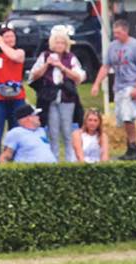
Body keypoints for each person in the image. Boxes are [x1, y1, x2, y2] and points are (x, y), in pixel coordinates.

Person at [92, 19, 136, 160]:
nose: (116, 35)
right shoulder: (112, 47)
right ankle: (130, 147)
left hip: (131, 85)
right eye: (114, 32)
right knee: (122, 119)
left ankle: (133, 147)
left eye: (118, 32)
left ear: (125, 31)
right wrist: (96, 83)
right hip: (118, 86)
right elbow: (106, 66)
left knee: (128, 116)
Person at [28, 26, 85, 162]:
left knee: (67, 130)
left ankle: (70, 160)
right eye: (57, 42)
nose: (60, 45)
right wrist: (47, 65)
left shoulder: (70, 58)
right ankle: (54, 160)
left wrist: (62, 67)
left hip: (67, 98)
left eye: (62, 43)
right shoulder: (45, 56)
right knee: (53, 132)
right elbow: (33, 76)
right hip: (50, 98)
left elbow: (79, 77)